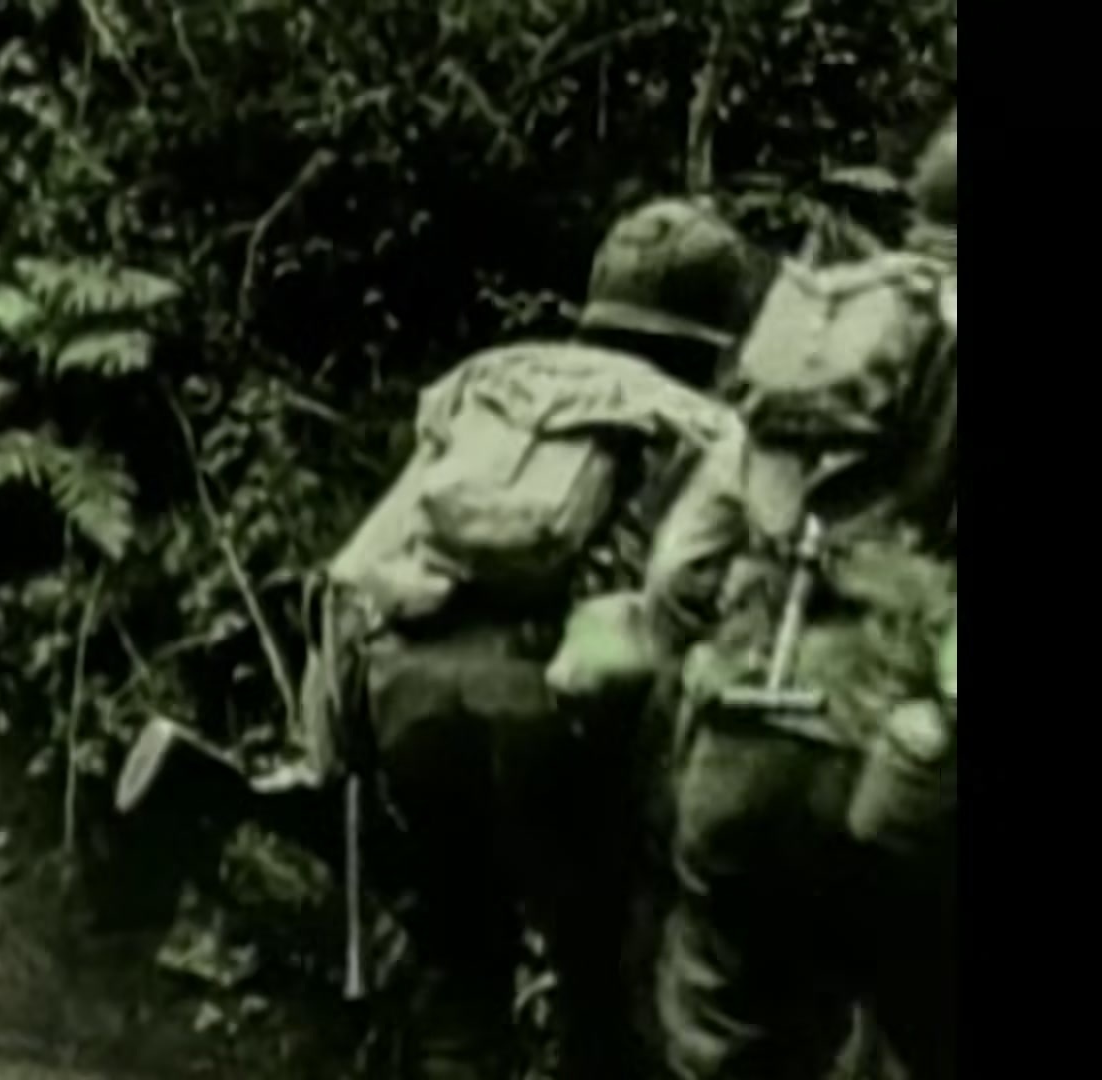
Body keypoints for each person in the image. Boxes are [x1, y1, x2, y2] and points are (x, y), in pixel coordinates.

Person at [297, 199, 768, 1080]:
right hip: (552, 711)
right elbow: (690, 591)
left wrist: (336, 726)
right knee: (604, 982)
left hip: (405, 691)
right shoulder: (712, 430)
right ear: (716, 336)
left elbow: (369, 554)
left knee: (460, 959)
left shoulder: (486, 380)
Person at [646, 110, 957, 1080]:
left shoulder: (818, 335)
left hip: (739, 734)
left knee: (724, 1036)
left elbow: (677, 571)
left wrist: (699, 683)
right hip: (891, 755)